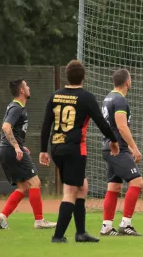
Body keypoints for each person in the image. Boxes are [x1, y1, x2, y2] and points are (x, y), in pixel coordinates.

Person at [40, 60, 120, 243]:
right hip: (74, 149)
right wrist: (114, 141)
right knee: (70, 191)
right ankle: (58, 236)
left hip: (56, 148)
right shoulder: (85, 97)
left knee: (82, 186)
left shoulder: (55, 96)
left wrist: (43, 150)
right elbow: (101, 122)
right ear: (84, 77)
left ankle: (81, 233)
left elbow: (46, 125)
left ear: (67, 76)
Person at [0, 79, 56, 230]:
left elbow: (11, 131)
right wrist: (16, 147)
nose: (29, 87)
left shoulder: (15, 107)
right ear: (22, 90)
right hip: (10, 149)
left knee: (22, 187)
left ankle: (2, 216)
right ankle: (39, 221)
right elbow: (6, 127)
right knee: (35, 183)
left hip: (5, 150)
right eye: (26, 85)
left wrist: (20, 146)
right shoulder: (16, 108)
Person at [100, 69, 143, 236]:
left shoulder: (108, 98)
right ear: (127, 82)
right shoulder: (119, 100)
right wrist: (134, 148)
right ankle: (126, 224)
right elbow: (121, 126)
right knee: (137, 183)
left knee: (114, 186)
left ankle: (106, 226)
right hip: (118, 148)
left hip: (108, 147)